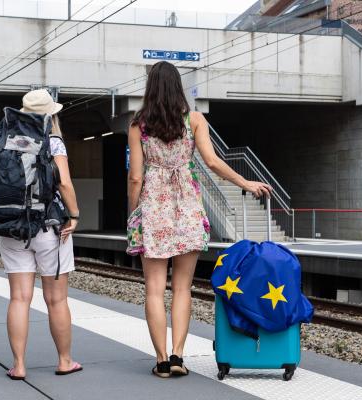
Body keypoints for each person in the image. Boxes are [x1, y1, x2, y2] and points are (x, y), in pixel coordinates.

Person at [126, 61, 272, 378]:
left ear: (150, 88)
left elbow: (135, 177)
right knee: (182, 288)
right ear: (178, 87)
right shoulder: (193, 120)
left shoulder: (138, 126)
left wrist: (134, 214)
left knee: (153, 289)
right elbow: (212, 161)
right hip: (188, 209)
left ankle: (162, 360)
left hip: (153, 210)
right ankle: (179, 356)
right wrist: (246, 183)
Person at [0, 89, 82, 380]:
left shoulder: (3, 139)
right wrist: (73, 215)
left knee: (19, 298)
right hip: (50, 226)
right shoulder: (53, 141)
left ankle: (19, 366)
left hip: (11, 226)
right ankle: (64, 361)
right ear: (50, 114)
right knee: (56, 300)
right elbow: (64, 184)